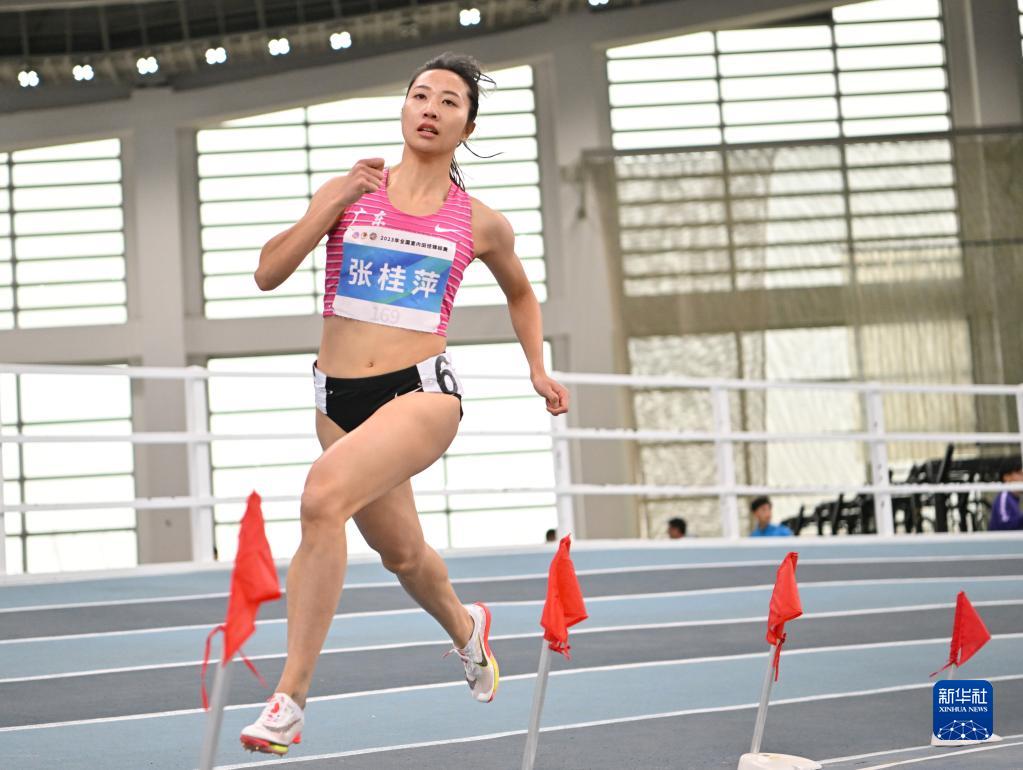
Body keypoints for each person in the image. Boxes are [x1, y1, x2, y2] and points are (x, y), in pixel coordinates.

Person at [239, 52, 569, 756]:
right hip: (337, 400)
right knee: (403, 554)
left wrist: (536, 368)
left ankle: (289, 700)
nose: (430, 109)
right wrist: (331, 203)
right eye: (420, 95)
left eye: (449, 102)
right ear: (403, 108)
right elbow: (267, 272)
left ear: (466, 127)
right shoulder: (350, 191)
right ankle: (466, 628)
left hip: (420, 393)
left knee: (321, 499)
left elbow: (520, 292)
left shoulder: (480, 222)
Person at [990, 460, 1023, 531]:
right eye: (1019, 473)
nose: (1022, 477)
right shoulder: (1004, 497)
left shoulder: (1012, 498)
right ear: (1006, 477)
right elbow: (1005, 525)